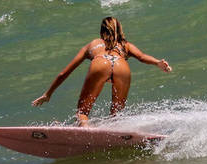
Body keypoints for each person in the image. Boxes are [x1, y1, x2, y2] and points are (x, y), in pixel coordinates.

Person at [32, 16, 172, 126]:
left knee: (83, 112)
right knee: (116, 114)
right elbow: (142, 57)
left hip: (100, 62)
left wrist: (48, 94)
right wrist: (157, 62)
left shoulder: (92, 44)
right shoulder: (125, 45)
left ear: (102, 31)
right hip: (121, 65)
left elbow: (64, 73)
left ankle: (85, 129)